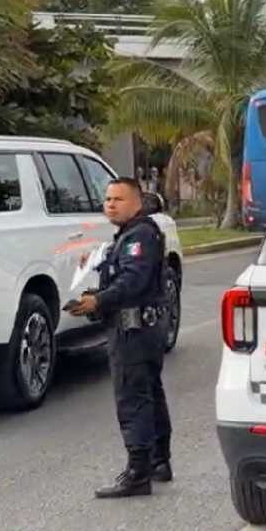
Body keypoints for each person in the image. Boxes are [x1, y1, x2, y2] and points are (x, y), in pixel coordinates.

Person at [69, 177, 172, 499]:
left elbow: (133, 281)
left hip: (133, 330)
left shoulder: (139, 235)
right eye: (108, 198)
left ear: (138, 203)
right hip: (144, 327)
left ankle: (137, 473)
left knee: (132, 398)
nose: (111, 204)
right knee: (149, 393)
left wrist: (98, 301)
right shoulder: (131, 234)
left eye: (119, 199)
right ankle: (158, 462)